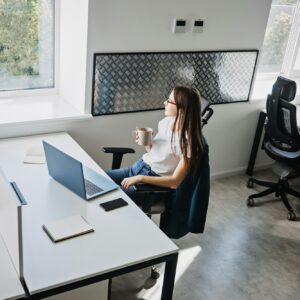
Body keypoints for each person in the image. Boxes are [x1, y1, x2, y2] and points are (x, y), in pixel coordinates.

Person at [106, 86, 205, 205]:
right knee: (97, 180)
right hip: (138, 167)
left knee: (109, 198)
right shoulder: (166, 122)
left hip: (151, 183)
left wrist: (140, 178)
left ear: (182, 108)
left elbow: (175, 182)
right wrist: (147, 143)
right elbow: (153, 153)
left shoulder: (189, 141)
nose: (165, 102)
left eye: (169, 101)